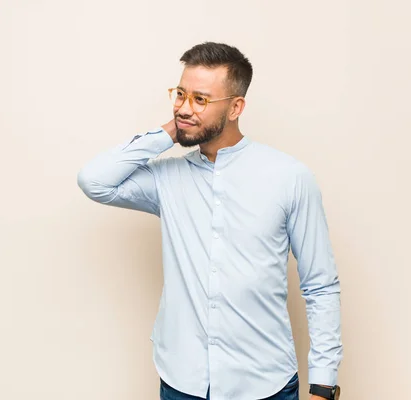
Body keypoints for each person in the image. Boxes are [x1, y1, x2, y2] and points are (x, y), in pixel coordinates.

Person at [77, 42, 342, 400]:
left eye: (201, 99)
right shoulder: (165, 180)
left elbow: (320, 285)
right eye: (180, 95)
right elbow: (95, 180)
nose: (185, 108)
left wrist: (324, 385)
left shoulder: (290, 177)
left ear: (236, 107)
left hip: (266, 384)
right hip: (182, 383)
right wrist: (175, 128)